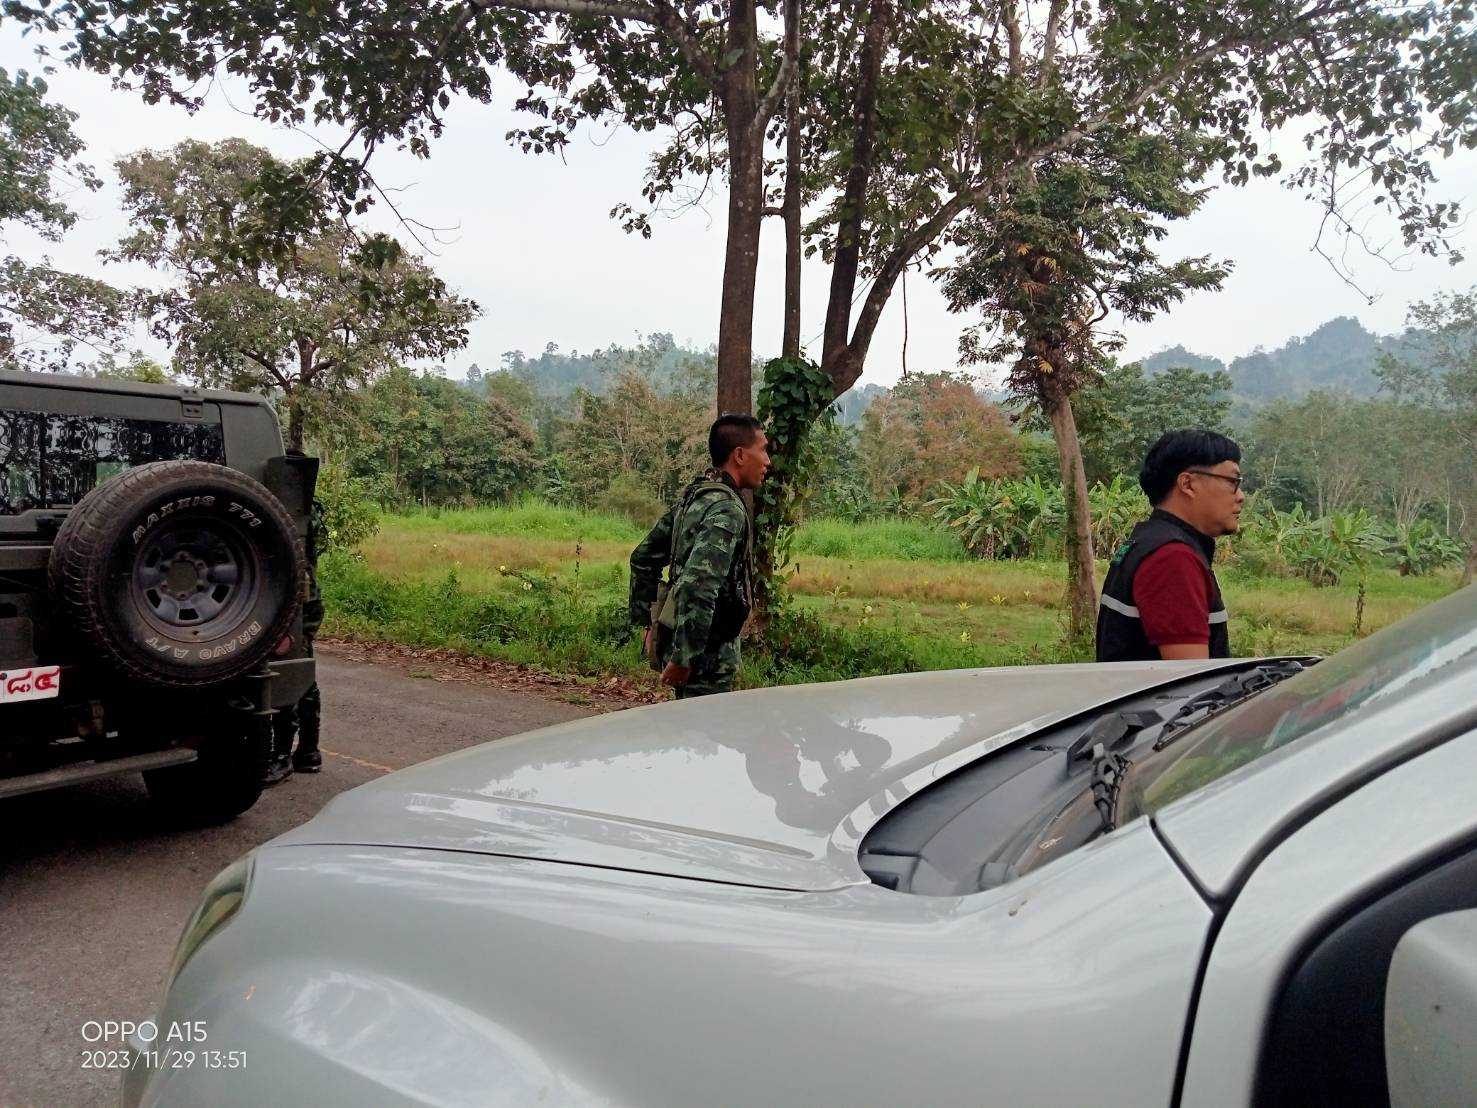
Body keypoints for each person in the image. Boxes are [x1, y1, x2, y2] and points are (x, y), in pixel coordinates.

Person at [629, 413, 770, 698]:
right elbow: (700, 584)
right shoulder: (726, 509)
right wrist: (685, 657)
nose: (768, 461)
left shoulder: (695, 499)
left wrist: (646, 625)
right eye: (763, 450)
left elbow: (642, 558)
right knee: (704, 735)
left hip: (690, 648)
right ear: (740, 455)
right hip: (707, 659)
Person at [1096, 429, 1244, 662]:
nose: (1241, 496)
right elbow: (1190, 681)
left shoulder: (1149, 540)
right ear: (1188, 484)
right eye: (1233, 482)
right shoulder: (1173, 558)